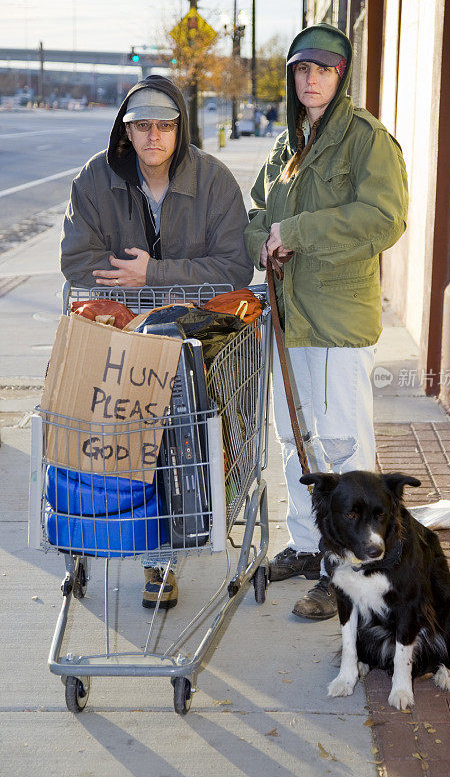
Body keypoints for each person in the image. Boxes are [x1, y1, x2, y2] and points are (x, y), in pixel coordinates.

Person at [61, 74, 253, 610]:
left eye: (164, 126)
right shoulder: (95, 180)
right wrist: (130, 288)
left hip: (194, 335)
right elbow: (76, 261)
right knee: (127, 435)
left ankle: (168, 550)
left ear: (180, 128)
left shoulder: (214, 182)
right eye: (141, 126)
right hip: (119, 336)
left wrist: (156, 275)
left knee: (182, 430)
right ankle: (144, 548)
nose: (153, 137)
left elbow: (235, 266)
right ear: (125, 131)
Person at [245, 24, 408, 620]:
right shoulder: (287, 146)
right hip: (291, 320)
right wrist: (264, 242)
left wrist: (298, 234)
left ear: (342, 76)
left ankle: (351, 566)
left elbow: (383, 219)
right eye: (301, 69)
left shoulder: (367, 141)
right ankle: (310, 543)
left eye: (323, 69)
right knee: (296, 438)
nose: (310, 79)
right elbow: (257, 213)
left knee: (344, 443)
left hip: (338, 318)